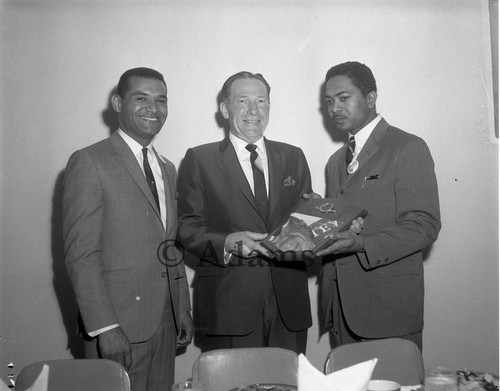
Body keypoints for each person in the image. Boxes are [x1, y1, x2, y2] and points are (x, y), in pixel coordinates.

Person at [62, 67, 193, 390]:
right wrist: (105, 327)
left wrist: (183, 309)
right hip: (116, 327)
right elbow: (81, 256)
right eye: (142, 98)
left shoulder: (167, 168)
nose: (154, 108)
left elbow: (170, 245)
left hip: (164, 322)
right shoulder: (90, 161)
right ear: (118, 103)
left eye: (161, 100)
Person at [176, 71, 313, 354]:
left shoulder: (293, 156)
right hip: (227, 309)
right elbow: (186, 228)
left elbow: (304, 225)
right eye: (243, 101)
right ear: (225, 109)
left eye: (261, 101)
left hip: (288, 307)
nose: (254, 111)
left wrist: (320, 219)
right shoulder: (199, 159)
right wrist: (226, 242)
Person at [317, 61, 441, 351]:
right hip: (342, 310)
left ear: (370, 98)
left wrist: (361, 244)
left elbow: (425, 226)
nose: (334, 108)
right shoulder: (335, 162)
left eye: (344, 98)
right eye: (329, 101)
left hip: (388, 310)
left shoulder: (407, 147)